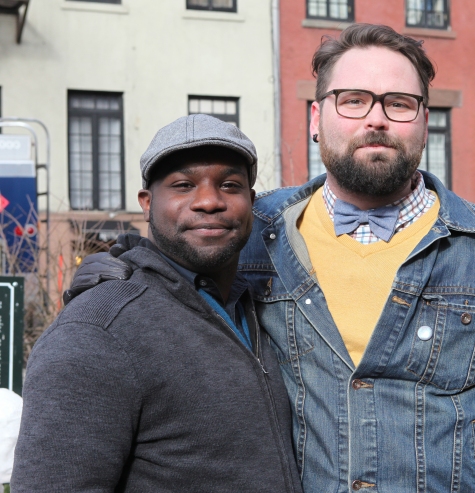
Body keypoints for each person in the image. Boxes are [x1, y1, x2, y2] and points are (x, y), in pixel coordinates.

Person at [64, 24, 475, 493]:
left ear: (425, 121)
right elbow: (170, 275)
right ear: (316, 118)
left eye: (399, 103)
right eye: (353, 100)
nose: (377, 119)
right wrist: (114, 278)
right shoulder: (248, 233)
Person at [11, 115, 303, 493]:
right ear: (147, 204)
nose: (210, 201)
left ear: (251, 201)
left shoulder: (260, 307)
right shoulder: (97, 331)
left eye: (230, 185)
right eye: (183, 185)